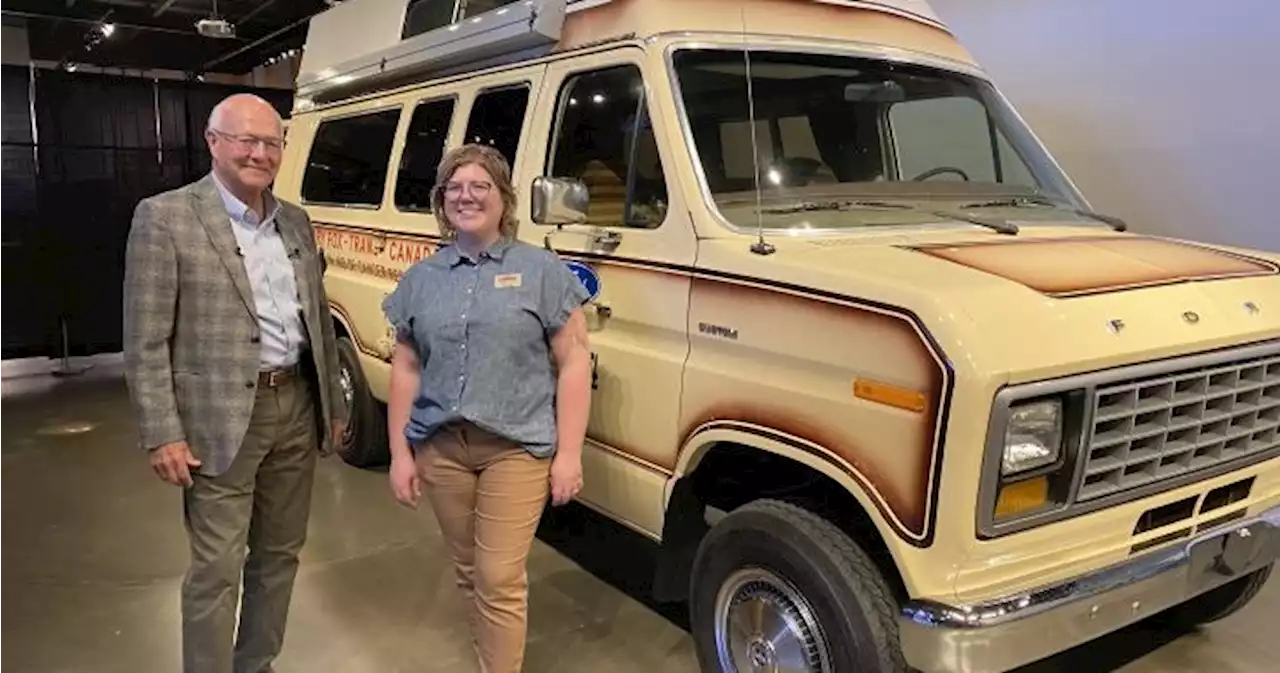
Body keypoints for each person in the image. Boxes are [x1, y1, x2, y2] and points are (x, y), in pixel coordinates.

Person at [121, 93, 347, 673]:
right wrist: (161, 432)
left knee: (279, 555)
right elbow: (145, 339)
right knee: (216, 568)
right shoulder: (165, 216)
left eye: (271, 142)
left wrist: (334, 405)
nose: (259, 152)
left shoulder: (294, 220)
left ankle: (257, 664)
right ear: (213, 141)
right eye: (245, 139)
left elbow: (316, 318)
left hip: (295, 405)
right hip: (217, 421)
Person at [383, 143, 593, 673]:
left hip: (516, 449)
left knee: (498, 576)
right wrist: (400, 454)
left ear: (504, 199)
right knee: (468, 568)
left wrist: (569, 454)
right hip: (441, 450)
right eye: (454, 187)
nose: (466, 196)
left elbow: (573, 362)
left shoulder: (541, 270)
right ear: (440, 201)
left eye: (480, 186)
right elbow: (406, 368)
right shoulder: (422, 279)